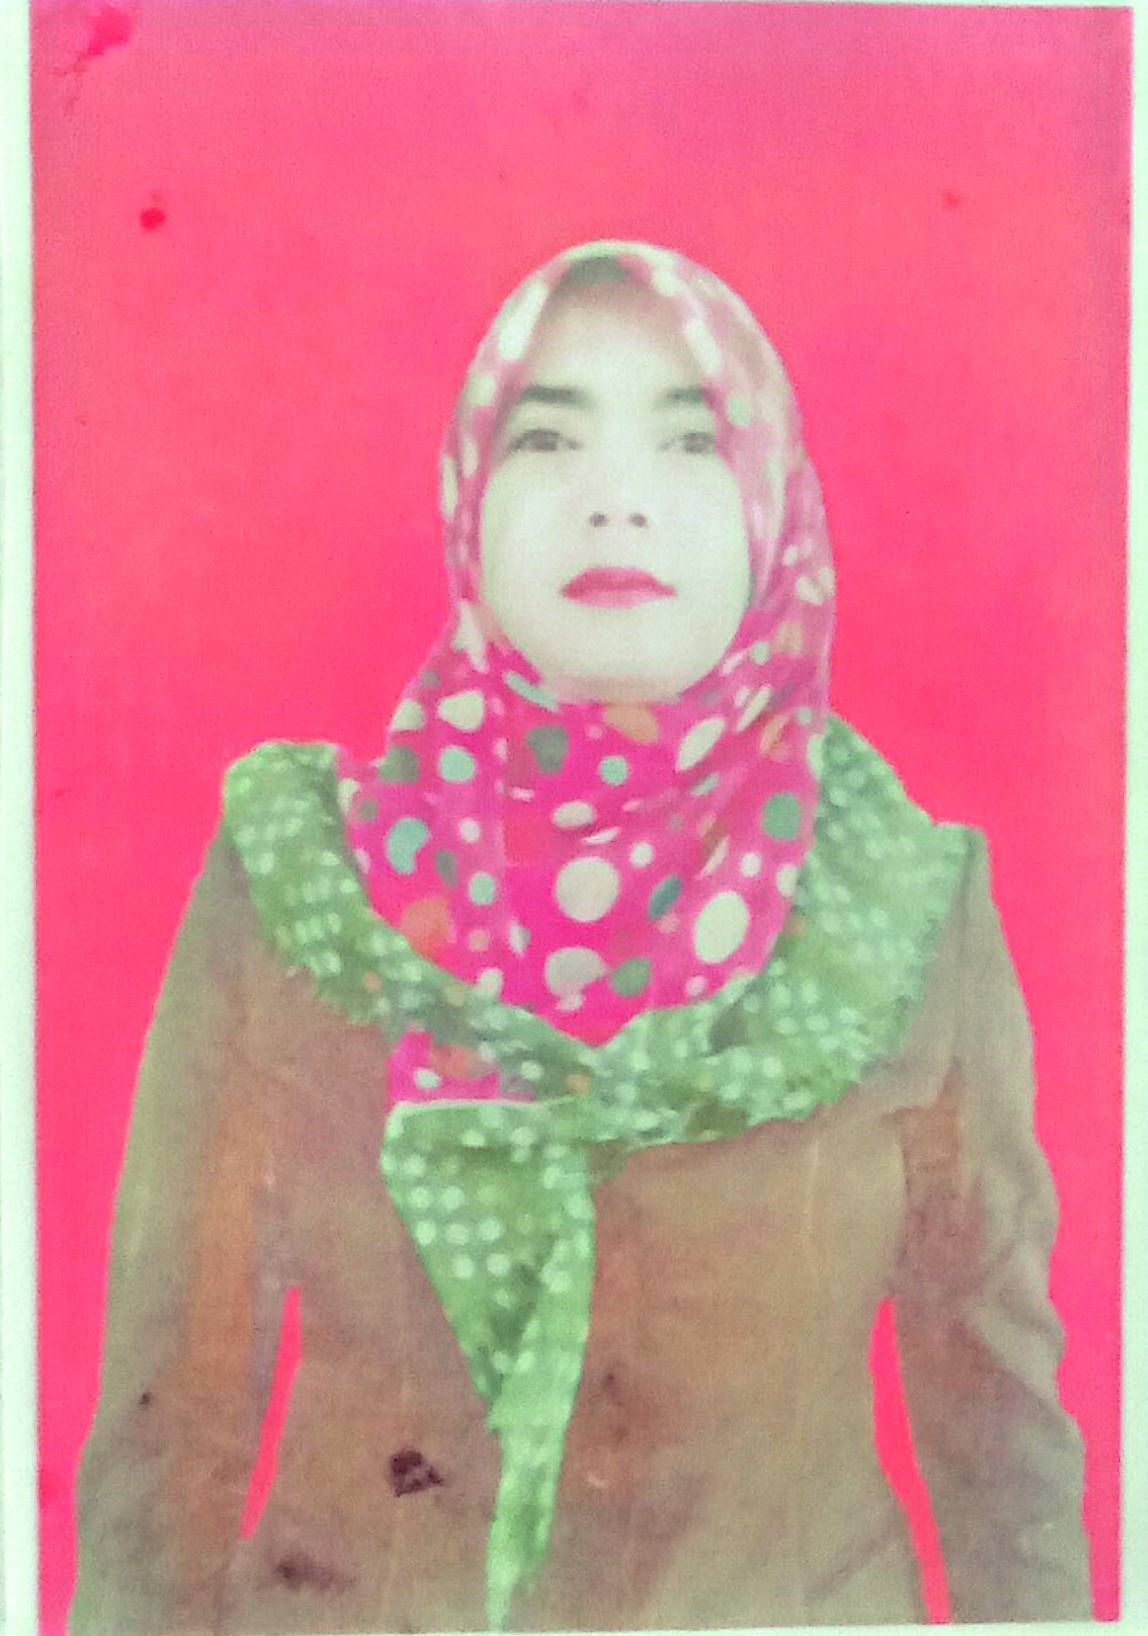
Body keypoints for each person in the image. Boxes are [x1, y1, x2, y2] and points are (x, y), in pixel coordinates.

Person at [70, 240, 1092, 1634]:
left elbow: (1007, 1453)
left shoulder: (903, 908)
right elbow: (166, 1430)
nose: (618, 499)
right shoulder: (300, 886)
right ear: (467, 500)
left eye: (691, 440)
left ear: (772, 508)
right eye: (547, 438)